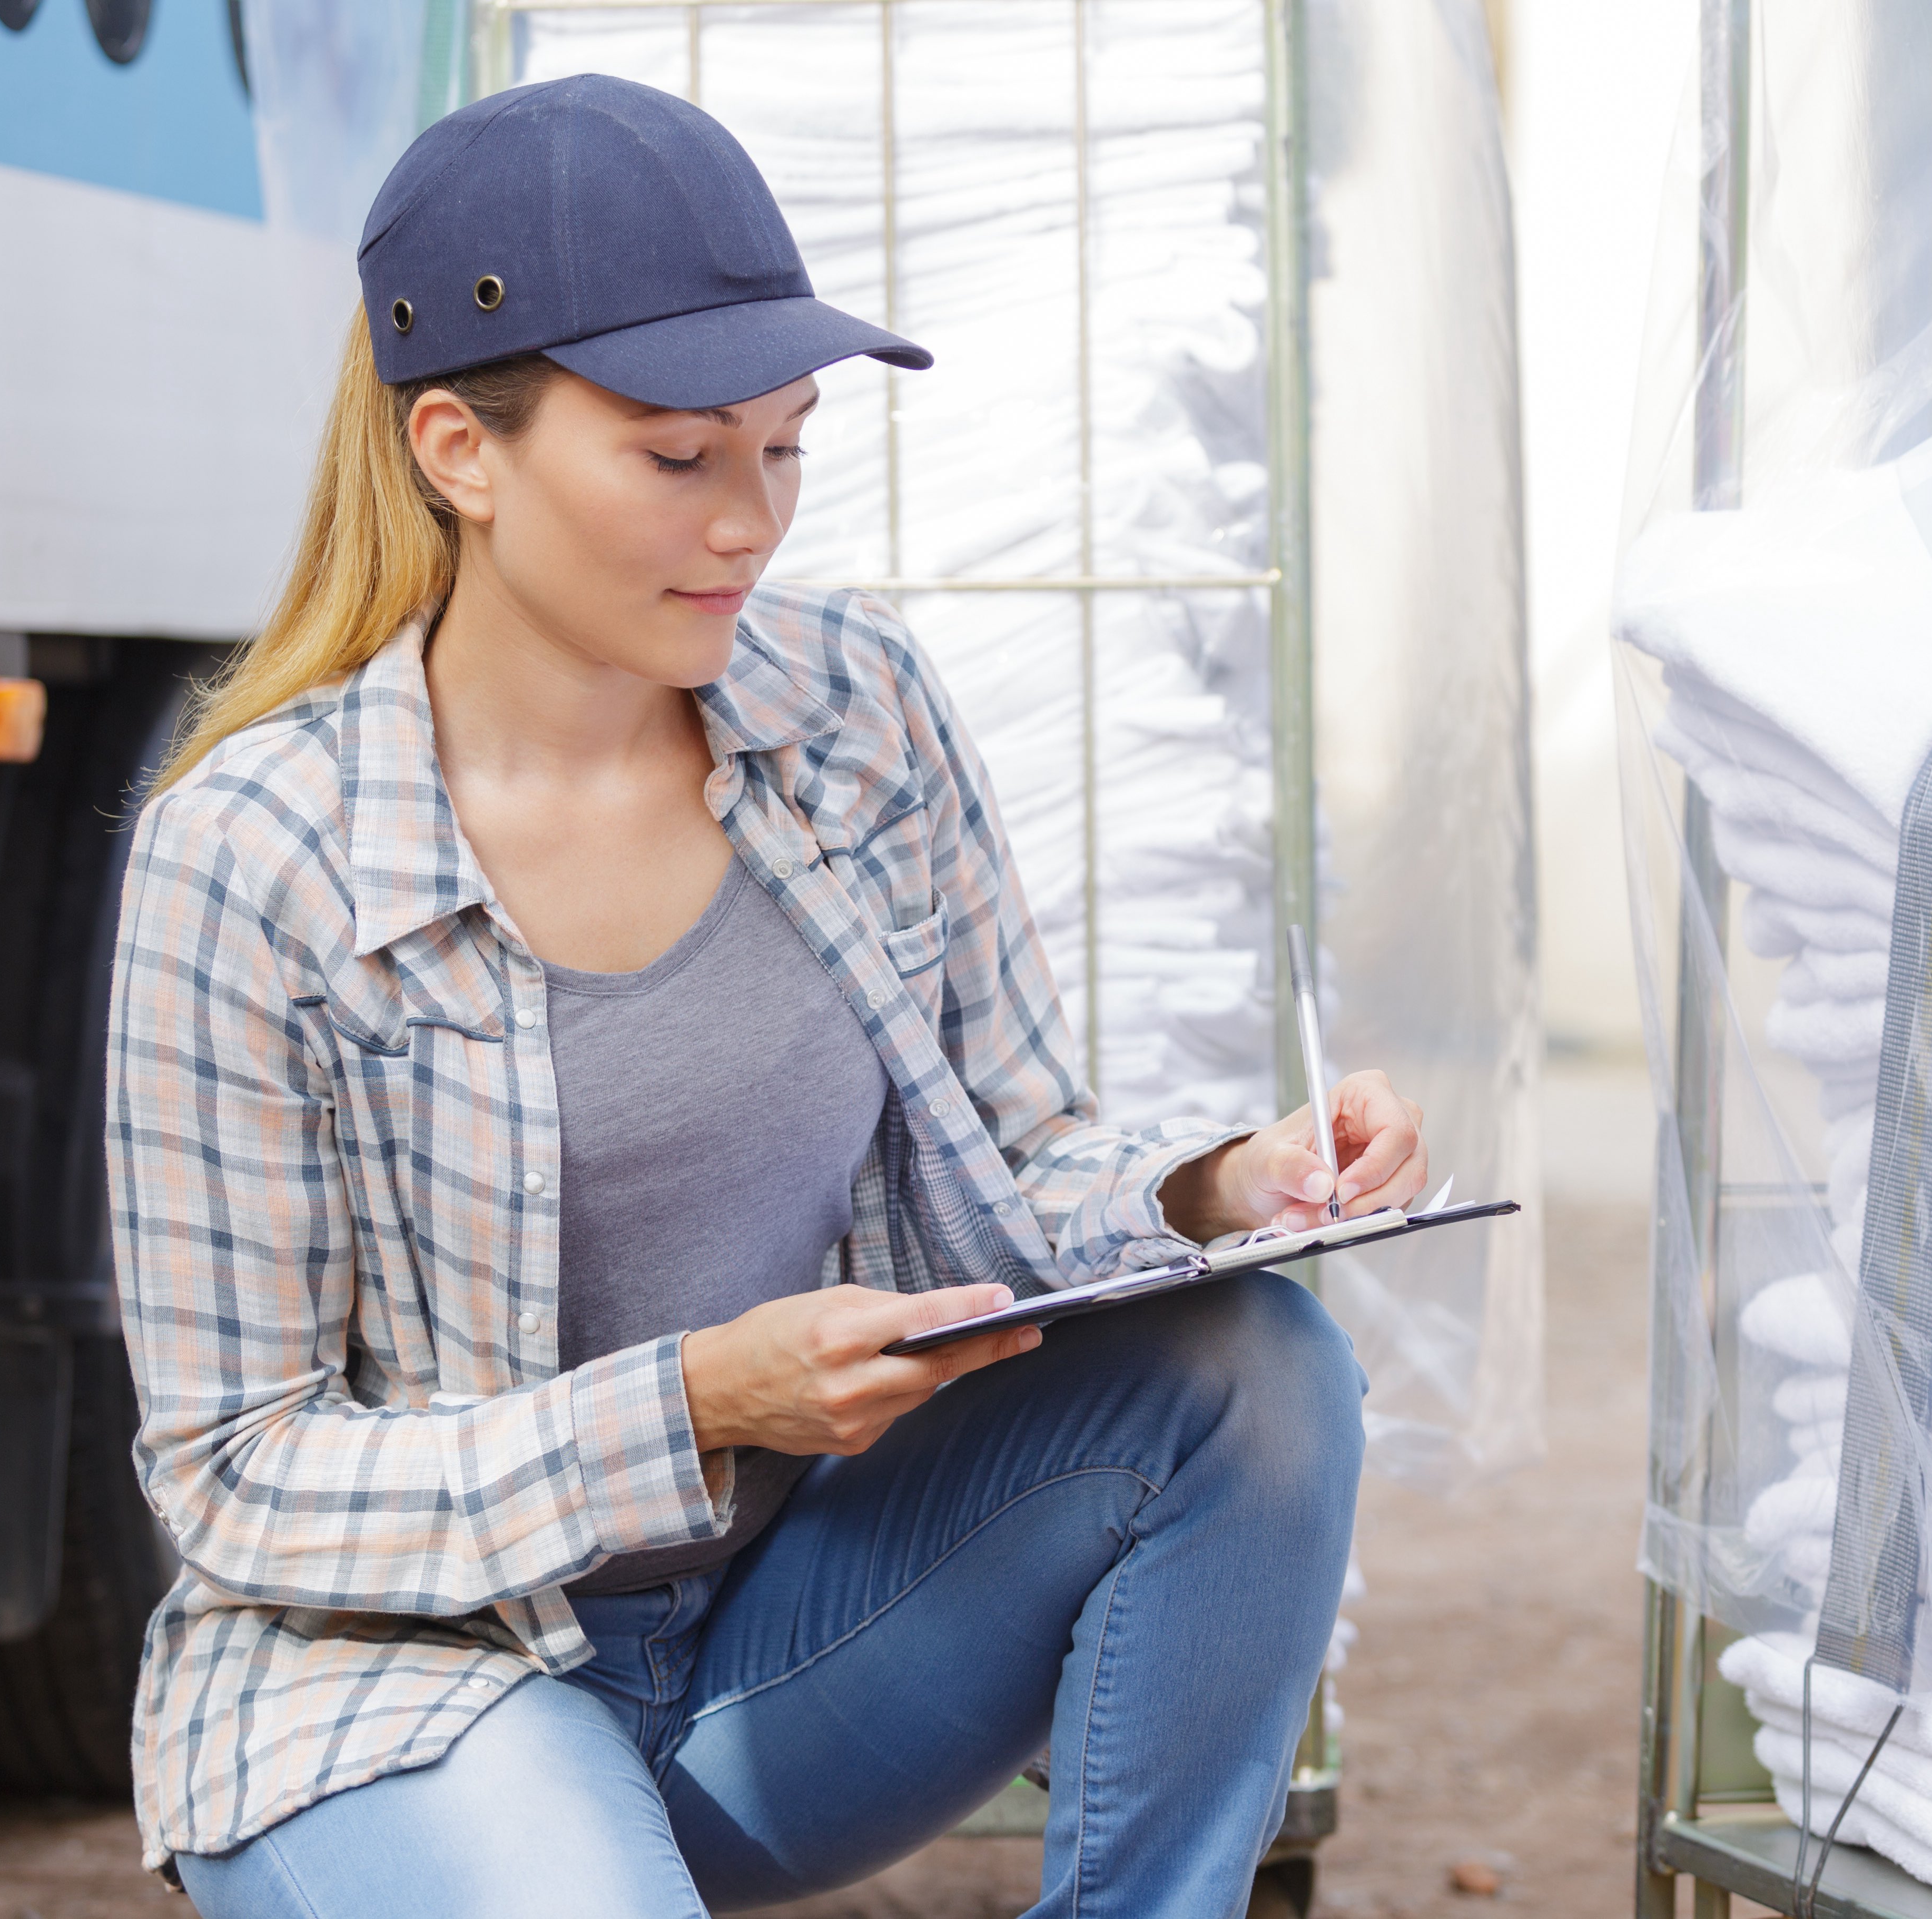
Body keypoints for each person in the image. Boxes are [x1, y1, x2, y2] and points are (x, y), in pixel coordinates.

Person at [109, 73, 1426, 1919]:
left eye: (784, 446)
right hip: (401, 1690)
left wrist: (1222, 1185)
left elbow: (1020, 1146)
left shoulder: (855, 714)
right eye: (678, 456)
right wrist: (700, 1402)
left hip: (779, 1653)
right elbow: (243, 1480)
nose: (751, 522)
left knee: (1260, 1376)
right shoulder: (254, 854)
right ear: (456, 450)